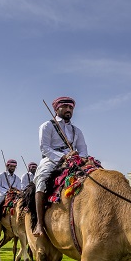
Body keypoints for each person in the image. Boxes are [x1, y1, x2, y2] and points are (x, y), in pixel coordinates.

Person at [32, 96, 87, 236]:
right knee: (42, 181)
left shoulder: (77, 131)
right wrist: (62, 157)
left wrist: (82, 159)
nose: (69, 110)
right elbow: (44, 148)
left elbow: (83, 149)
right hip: (52, 160)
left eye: (71, 108)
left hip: (74, 161)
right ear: (57, 109)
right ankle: (39, 223)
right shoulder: (47, 126)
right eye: (66, 107)